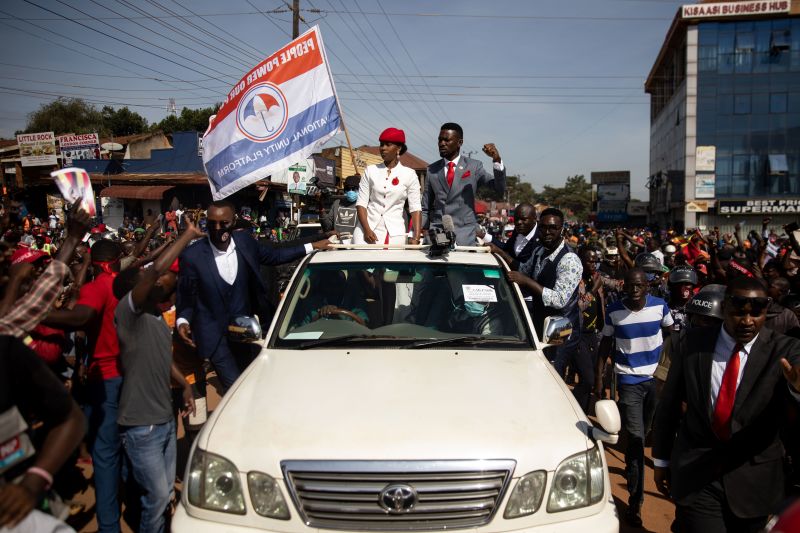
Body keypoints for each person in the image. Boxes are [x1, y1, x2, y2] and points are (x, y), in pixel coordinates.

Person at [653, 276, 800, 533]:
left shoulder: (786, 351)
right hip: (697, 476)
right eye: (738, 313)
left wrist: (797, 390)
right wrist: (662, 460)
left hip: (754, 483)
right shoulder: (690, 343)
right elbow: (669, 404)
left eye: (756, 314)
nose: (747, 321)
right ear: (724, 309)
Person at [175, 200, 331, 391]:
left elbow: (275, 256)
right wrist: (182, 320)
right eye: (211, 223)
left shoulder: (245, 243)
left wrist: (312, 246)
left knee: (249, 382)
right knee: (234, 387)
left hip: (244, 331)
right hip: (214, 335)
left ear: (233, 222)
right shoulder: (193, 256)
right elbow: (186, 294)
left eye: (223, 223)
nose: (217, 228)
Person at [112, 221, 201, 533]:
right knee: (159, 496)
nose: (158, 280)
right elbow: (151, 271)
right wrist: (187, 235)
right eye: (147, 280)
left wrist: (184, 384)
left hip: (163, 420)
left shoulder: (154, 320)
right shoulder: (128, 315)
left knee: (162, 498)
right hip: (141, 426)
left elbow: (162, 361)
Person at [44, 239, 126, 533]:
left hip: (106, 379)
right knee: (126, 446)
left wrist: (35, 314)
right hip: (127, 378)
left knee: (104, 455)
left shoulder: (96, 288)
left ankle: (108, 526)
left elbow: (82, 317)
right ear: (116, 259)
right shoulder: (127, 286)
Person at [594, 268, 675, 527]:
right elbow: (605, 345)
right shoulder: (615, 311)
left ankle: (632, 458)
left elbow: (672, 339)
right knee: (638, 439)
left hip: (655, 384)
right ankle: (635, 500)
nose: (635, 289)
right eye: (630, 285)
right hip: (628, 382)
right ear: (624, 286)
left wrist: (669, 372)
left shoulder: (661, 307)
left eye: (639, 285)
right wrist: (599, 379)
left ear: (646, 287)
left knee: (645, 433)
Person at [506, 208, 582, 374]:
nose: (547, 232)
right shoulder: (539, 251)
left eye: (553, 228)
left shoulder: (569, 259)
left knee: (552, 375)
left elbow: (559, 299)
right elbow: (522, 270)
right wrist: (498, 252)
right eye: (543, 227)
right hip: (539, 325)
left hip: (560, 333)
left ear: (562, 229)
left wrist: (526, 281)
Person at [421, 122, 505, 245]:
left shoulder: (474, 167)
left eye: (446, 140)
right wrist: (418, 232)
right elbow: (425, 207)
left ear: (460, 143)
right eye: (440, 140)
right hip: (437, 236)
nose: (441, 143)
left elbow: (498, 188)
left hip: (465, 236)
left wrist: (496, 160)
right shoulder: (432, 169)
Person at [353, 128, 422, 245]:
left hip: (395, 233)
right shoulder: (370, 171)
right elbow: (361, 204)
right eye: (381, 144)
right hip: (365, 231)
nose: (383, 148)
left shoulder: (409, 174)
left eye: (388, 145)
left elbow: (415, 208)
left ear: (398, 148)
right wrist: (366, 230)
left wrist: (416, 237)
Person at [488, 203, 539, 270]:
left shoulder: (542, 237)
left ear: (534, 219)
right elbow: (506, 247)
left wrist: (502, 253)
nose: (518, 222)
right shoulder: (517, 231)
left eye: (523, 219)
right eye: (516, 219)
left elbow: (529, 269)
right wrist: (483, 235)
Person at [321, 175, 360, 240]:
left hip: (355, 244)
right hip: (337, 244)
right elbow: (327, 227)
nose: (351, 191)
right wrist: (321, 209)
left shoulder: (362, 205)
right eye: (348, 189)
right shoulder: (337, 203)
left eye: (354, 189)